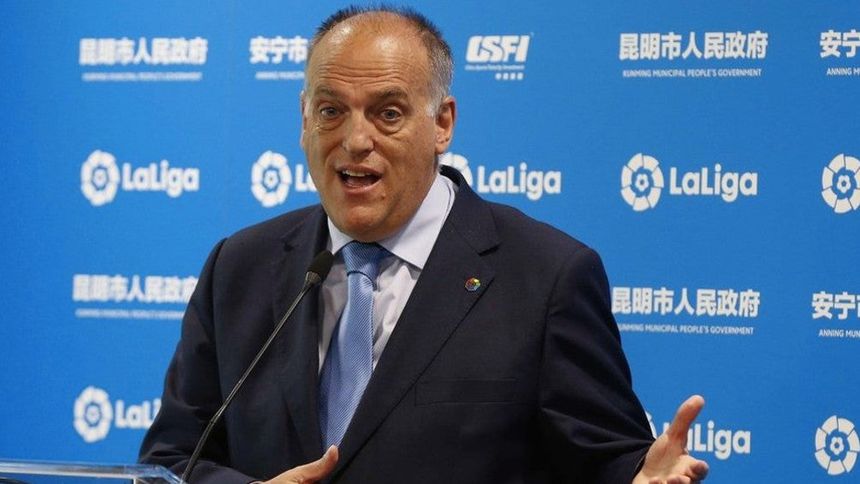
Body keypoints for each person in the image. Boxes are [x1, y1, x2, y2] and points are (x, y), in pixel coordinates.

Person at [139, 6, 709, 484]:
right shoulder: (239, 267)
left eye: (387, 113)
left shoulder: (547, 277)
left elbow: (608, 462)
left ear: (442, 124)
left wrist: (639, 477)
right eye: (331, 111)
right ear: (304, 120)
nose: (355, 140)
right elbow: (171, 461)